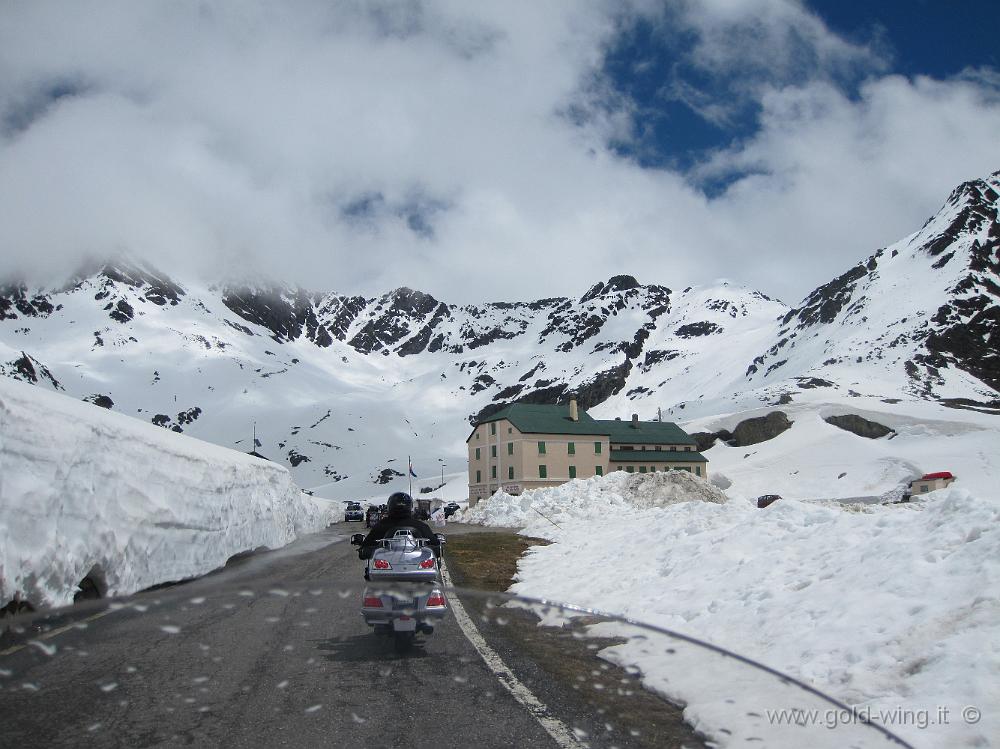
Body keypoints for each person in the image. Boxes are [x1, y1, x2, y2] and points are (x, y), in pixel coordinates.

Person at [359, 492, 440, 559]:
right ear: (410, 507)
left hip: (386, 571)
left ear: (390, 506)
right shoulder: (420, 526)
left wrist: (365, 549)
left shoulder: (380, 526)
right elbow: (436, 546)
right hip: (418, 569)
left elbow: (364, 549)